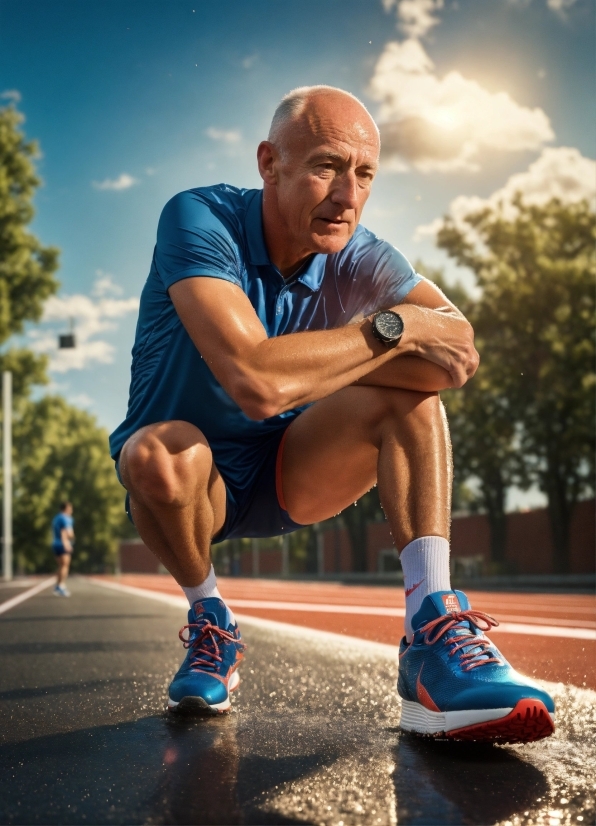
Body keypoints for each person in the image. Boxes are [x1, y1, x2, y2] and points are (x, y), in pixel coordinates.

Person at [110, 86, 555, 741]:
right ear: (269, 164)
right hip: (193, 483)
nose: (347, 195)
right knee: (156, 456)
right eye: (325, 167)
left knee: (410, 398)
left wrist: (385, 328)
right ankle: (212, 625)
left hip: (295, 466)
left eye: (365, 173)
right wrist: (393, 330)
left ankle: (430, 632)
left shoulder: (361, 254)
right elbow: (256, 381)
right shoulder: (198, 218)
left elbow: (457, 353)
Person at [52, 501, 74, 597]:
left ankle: (58, 586)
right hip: (63, 544)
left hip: (55, 543)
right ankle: (61, 586)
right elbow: (66, 532)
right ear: (67, 508)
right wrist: (67, 544)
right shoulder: (66, 518)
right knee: (65, 565)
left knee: (61, 566)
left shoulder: (56, 518)